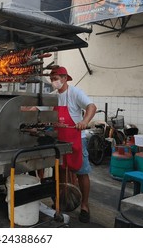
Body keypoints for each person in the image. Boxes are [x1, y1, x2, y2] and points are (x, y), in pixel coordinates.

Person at [50, 66, 97, 223]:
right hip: (60, 140)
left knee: (81, 172)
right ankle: (63, 200)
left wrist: (84, 121)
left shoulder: (75, 92)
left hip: (77, 139)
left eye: (55, 78)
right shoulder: (53, 96)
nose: (53, 81)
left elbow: (91, 106)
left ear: (64, 78)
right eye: (52, 79)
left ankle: (84, 206)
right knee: (62, 171)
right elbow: (38, 107)